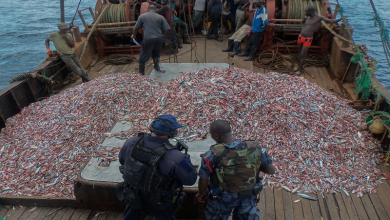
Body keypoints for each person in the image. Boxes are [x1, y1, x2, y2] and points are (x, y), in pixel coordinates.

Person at [117, 114, 198, 220]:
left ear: (152, 128)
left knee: (133, 212)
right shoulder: (176, 157)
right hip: (159, 202)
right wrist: (186, 160)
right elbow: (190, 179)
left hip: (133, 194)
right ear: (173, 132)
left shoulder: (131, 142)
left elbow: (123, 161)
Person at [196, 119, 275, 220]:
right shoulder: (255, 148)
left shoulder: (211, 155)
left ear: (216, 136)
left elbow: (203, 179)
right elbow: (271, 170)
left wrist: (201, 194)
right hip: (248, 196)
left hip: (222, 198)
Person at [295, 6, 342, 75]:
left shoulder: (319, 18)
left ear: (311, 12)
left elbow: (331, 21)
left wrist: (340, 19)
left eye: (306, 11)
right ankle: (299, 66)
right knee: (299, 53)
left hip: (308, 39)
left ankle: (300, 70)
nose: (305, 13)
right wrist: (303, 27)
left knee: (303, 54)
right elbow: (302, 23)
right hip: (300, 37)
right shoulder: (306, 18)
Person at [132, 5, 171, 75]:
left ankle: (141, 72)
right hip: (159, 39)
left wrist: (133, 35)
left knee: (143, 55)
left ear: (148, 10)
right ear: (155, 10)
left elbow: (135, 28)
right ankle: (157, 67)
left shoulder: (142, 16)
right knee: (156, 53)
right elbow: (167, 29)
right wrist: (164, 38)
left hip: (148, 39)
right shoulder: (160, 17)